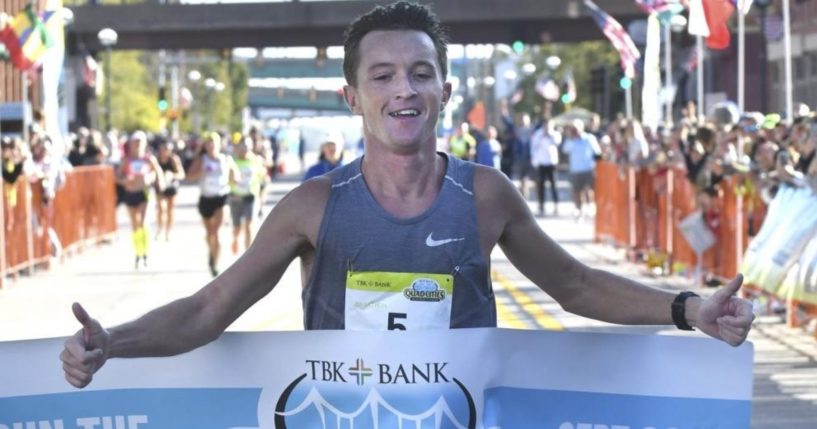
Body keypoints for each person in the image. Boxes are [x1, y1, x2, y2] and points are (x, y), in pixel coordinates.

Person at [61, 1, 754, 389]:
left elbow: (573, 284)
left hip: (462, 414)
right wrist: (111, 342)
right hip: (345, 413)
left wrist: (688, 308)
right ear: (352, 96)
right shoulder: (311, 205)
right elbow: (212, 306)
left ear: (444, 92)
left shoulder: (484, 193)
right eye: (384, 75)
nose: (404, 89)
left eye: (421, 73)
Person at [184, 132, 238, 277]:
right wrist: (200, 172)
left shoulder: (226, 159)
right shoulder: (202, 160)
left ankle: (215, 264)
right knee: (209, 235)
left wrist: (235, 178)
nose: (211, 145)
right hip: (206, 199)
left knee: (217, 233)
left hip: (222, 197)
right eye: (208, 143)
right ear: (205, 146)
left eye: (214, 142)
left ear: (220, 144)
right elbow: (188, 177)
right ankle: (211, 254)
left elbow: (236, 176)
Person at [117, 131, 165, 269]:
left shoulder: (148, 159)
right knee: (135, 225)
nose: (137, 144)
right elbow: (118, 177)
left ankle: (146, 253)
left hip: (144, 193)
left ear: (144, 144)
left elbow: (158, 171)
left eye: (140, 142)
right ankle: (138, 254)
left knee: (143, 222)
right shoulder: (127, 160)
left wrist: (154, 179)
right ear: (131, 144)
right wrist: (124, 180)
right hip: (131, 193)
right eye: (135, 141)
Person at [229, 137, 266, 255]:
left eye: (247, 146)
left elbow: (262, 178)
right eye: (242, 146)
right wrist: (233, 179)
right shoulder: (232, 161)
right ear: (238, 147)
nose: (245, 148)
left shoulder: (257, 160)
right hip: (236, 196)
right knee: (237, 227)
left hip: (250, 195)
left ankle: (247, 254)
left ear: (251, 147)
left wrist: (261, 199)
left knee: (249, 225)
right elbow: (227, 178)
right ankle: (235, 239)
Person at [561, 119, 601, 219]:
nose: (575, 131)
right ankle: (579, 208)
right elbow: (565, 150)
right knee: (576, 191)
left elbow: (597, 152)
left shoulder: (589, 138)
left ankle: (590, 206)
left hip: (588, 168)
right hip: (575, 169)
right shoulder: (570, 140)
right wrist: (571, 137)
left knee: (589, 189)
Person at [154, 139, 185, 242]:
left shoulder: (173, 159)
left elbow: (181, 174)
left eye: (167, 149)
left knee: (170, 209)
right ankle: (160, 229)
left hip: (171, 186)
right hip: (160, 187)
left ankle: (168, 231)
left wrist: (172, 175)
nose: (165, 151)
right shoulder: (156, 160)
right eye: (164, 149)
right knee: (161, 208)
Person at [529, 119, 561, 217]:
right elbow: (533, 147)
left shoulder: (555, 134)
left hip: (551, 163)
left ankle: (556, 205)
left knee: (554, 185)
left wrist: (549, 135)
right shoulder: (538, 134)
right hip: (541, 162)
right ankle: (541, 205)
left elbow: (557, 142)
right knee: (540, 185)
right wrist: (534, 159)